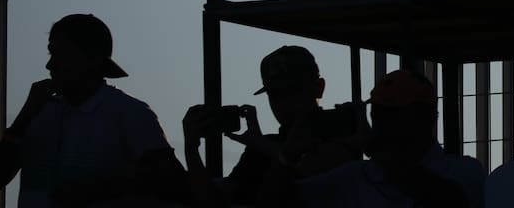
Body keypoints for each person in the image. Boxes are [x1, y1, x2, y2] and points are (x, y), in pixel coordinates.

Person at [0, 13, 188, 207]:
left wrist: (102, 189)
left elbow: (173, 184)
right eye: (51, 53)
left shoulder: (129, 113)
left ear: (92, 60)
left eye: (62, 54)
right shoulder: (39, 112)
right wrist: (24, 117)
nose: (50, 64)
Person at [183, 45, 359, 207]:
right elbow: (213, 202)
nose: (285, 102)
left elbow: (325, 166)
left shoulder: (341, 123)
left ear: (318, 87)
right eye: (276, 94)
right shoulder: (261, 148)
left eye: (292, 90)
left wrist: (261, 144)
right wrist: (192, 150)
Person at [290, 69, 484, 207]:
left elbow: (446, 199)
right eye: (379, 115)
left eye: (394, 115)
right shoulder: (355, 175)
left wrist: (374, 147)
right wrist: (287, 155)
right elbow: (280, 200)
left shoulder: (463, 171)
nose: (384, 125)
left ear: (427, 118)